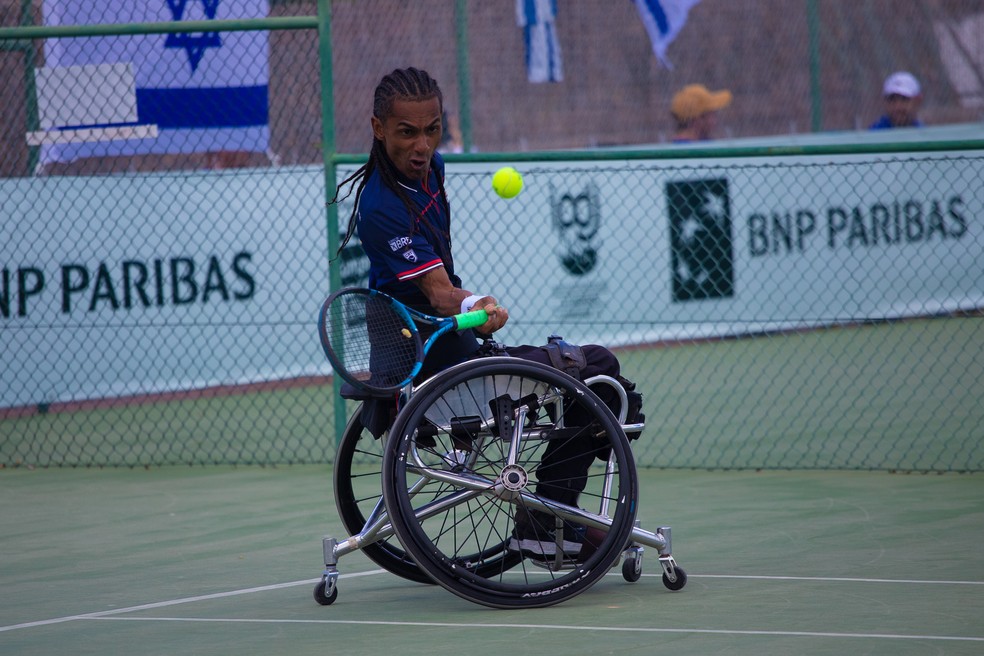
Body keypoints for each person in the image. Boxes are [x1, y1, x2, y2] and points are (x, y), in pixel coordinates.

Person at [331, 67, 640, 560]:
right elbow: (437, 292)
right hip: (442, 376)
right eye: (406, 132)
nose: (422, 145)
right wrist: (476, 303)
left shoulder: (431, 172)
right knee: (599, 371)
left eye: (432, 129)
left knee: (592, 378)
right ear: (378, 128)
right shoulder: (381, 207)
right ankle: (546, 522)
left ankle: (550, 518)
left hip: (451, 357)